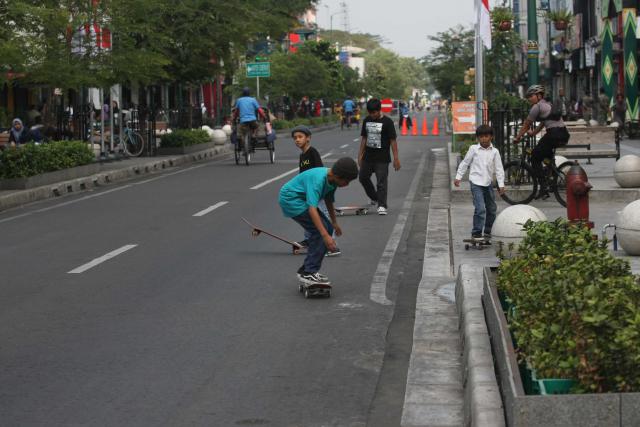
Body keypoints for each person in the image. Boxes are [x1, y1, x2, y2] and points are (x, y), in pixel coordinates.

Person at [279, 157, 359, 285]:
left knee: (327, 228)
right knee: (320, 232)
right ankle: (309, 271)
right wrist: (325, 235)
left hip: (300, 199)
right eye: (347, 181)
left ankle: (307, 269)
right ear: (338, 175)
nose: (347, 184)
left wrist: (334, 223)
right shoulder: (318, 180)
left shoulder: (332, 181)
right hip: (291, 200)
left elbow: (328, 200)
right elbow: (312, 209)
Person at [513, 85, 570, 199]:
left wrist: (518, 137)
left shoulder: (537, 107)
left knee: (534, 156)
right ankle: (550, 177)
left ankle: (543, 188)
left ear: (539, 96)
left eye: (531, 96)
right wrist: (533, 133)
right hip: (563, 134)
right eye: (528, 96)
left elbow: (526, 124)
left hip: (553, 134)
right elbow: (544, 123)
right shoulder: (548, 105)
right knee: (545, 156)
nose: (529, 98)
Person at [291, 125, 340, 256]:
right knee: (310, 216)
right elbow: (302, 176)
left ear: (308, 138)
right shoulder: (302, 156)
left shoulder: (312, 152)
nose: (297, 140)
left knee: (323, 216)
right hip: (309, 192)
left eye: (300, 137)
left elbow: (319, 171)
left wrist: (317, 189)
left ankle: (333, 246)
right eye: (295, 138)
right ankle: (310, 240)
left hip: (318, 191)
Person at [454, 125, 505, 240]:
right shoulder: (473, 149)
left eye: (486, 136)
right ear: (478, 138)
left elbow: (499, 169)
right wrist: (458, 177)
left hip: (488, 184)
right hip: (476, 183)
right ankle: (476, 232)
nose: (484, 139)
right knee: (480, 209)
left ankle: (488, 230)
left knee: (492, 209)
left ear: (491, 137)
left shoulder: (495, 152)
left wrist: (501, 184)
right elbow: (465, 163)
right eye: (481, 137)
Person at [358, 98, 401, 215]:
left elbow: (393, 141)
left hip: (382, 157)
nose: (372, 115)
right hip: (368, 156)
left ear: (379, 110)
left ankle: (382, 205)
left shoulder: (388, 122)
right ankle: (375, 197)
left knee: (381, 182)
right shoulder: (367, 120)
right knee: (362, 177)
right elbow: (364, 138)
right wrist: (360, 155)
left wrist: (396, 158)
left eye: (374, 113)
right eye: (370, 113)